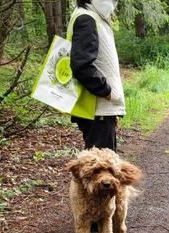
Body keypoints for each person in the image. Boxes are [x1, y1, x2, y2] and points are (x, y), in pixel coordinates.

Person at [69, 0, 125, 152]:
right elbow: (82, 66)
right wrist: (106, 91)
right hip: (95, 110)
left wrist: (111, 110)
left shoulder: (94, 17)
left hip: (99, 111)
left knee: (100, 170)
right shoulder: (86, 19)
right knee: (101, 172)